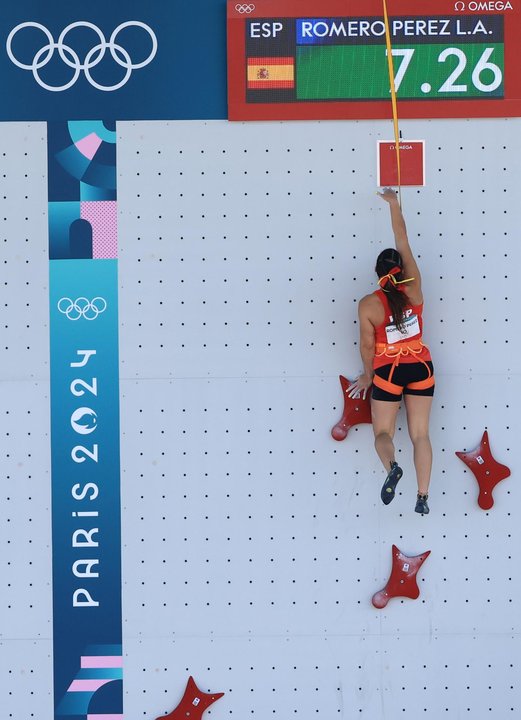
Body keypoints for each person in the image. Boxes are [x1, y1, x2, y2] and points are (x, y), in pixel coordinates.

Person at [348, 188, 434, 514]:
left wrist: (369, 375)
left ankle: (392, 467)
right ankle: (423, 496)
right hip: (421, 368)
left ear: (376, 272)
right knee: (420, 434)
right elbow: (403, 239)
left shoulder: (368, 304)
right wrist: (394, 203)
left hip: (389, 371)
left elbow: (367, 345)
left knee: (383, 432)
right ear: (401, 269)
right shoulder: (414, 288)